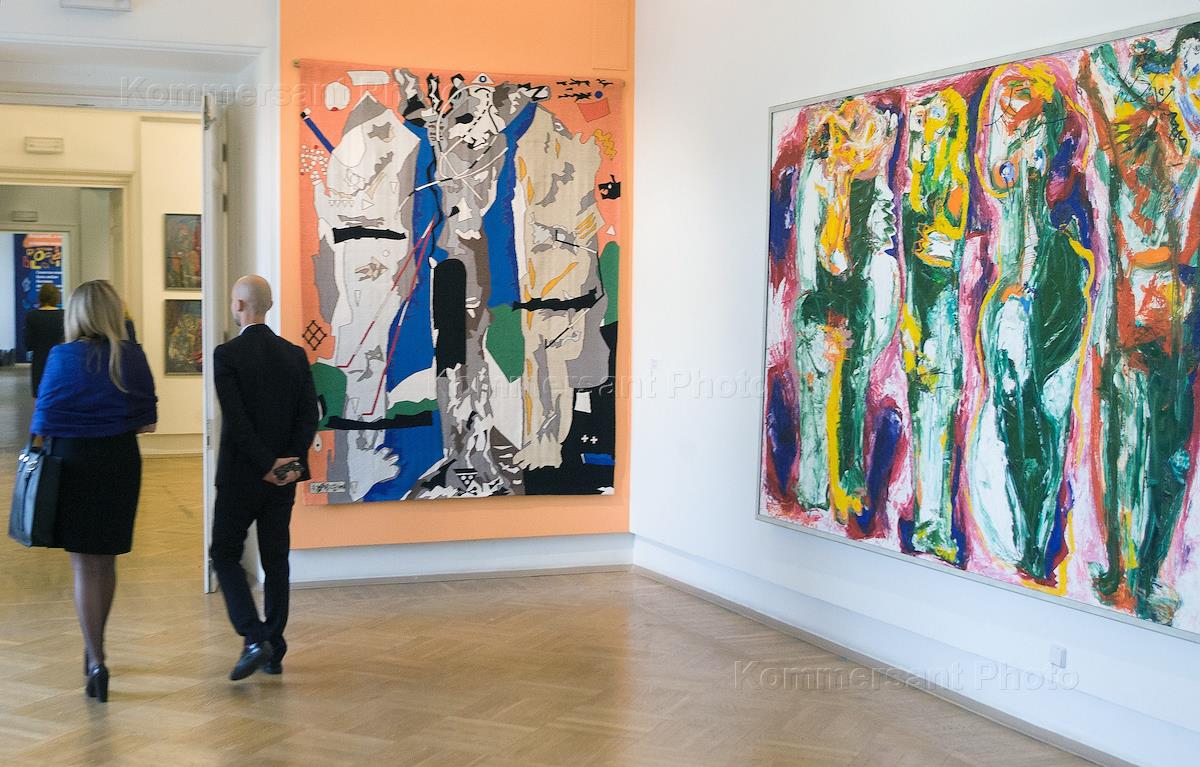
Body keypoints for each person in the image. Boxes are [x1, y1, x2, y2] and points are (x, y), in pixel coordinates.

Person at [31, 280, 157, 703]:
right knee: (105, 562)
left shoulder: (62, 356)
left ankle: (96, 657)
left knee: (84, 566)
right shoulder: (130, 355)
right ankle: (96, 649)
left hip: (73, 463)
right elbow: (147, 423)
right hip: (119, 462)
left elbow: (41, 424)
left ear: (77, 313)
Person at [210, 275, 317, 681]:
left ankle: (255, 637)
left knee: (224, 554)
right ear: (267, 306)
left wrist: (264, 463)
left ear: (239, 305)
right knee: (275, 560)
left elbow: (237, 421)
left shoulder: (227, 355)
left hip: (241, 476)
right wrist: (285, 464)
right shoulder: (294, 355)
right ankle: (274, 648)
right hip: (283, 478)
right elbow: (308, 415)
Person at [24, 282, 65, 398]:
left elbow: (28, 343)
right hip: (59, 361)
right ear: (56, 297)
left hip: (39, 362)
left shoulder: (31, 316)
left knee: (41, 395)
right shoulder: (63, 315)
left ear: (40, 297)